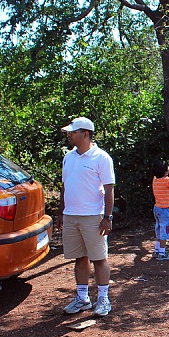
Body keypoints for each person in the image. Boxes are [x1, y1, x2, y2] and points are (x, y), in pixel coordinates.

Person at [59, 117, 116, 317]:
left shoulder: (101, 158)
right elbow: (65, 186)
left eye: (73, 132)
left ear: (85, 134)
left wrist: (107, 217)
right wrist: (61, 212)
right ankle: (82, 298)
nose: (69, 135)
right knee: (79, 258)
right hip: (71, 216)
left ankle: (103, 299)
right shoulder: (69, 157)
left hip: (93, 216)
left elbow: (109, 189)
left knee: (99, 258)